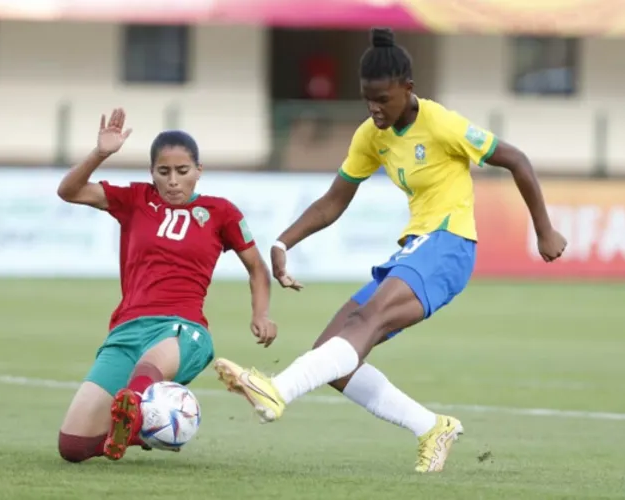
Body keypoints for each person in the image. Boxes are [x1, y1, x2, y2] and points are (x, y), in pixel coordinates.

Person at [213, 28, 568, 473]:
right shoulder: (371, 135)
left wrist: (545, 230)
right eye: (367, 99)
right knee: (336, 359)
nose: (375, 109)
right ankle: (432, 427)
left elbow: (515, 158)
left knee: (363, 322)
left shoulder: (441, 124)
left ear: (408, 89)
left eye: (383, 99)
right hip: (414, 247)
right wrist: (284, 240)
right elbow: (333, 201)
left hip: (449, 244)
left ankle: (277, 391)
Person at [55, 108, 277, 463]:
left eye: (183, 171)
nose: (173, 180)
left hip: (182, 329)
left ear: (199, 172)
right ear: (152, 173)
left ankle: (136, 410)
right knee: (72, 447)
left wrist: (261, 313)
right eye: (164, 172)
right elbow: (69, 191)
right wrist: (101, 153)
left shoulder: (221, 212)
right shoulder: (135, 200)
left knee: (148, 368)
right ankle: (137, 429)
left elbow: (256, 268)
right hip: (127, 331)